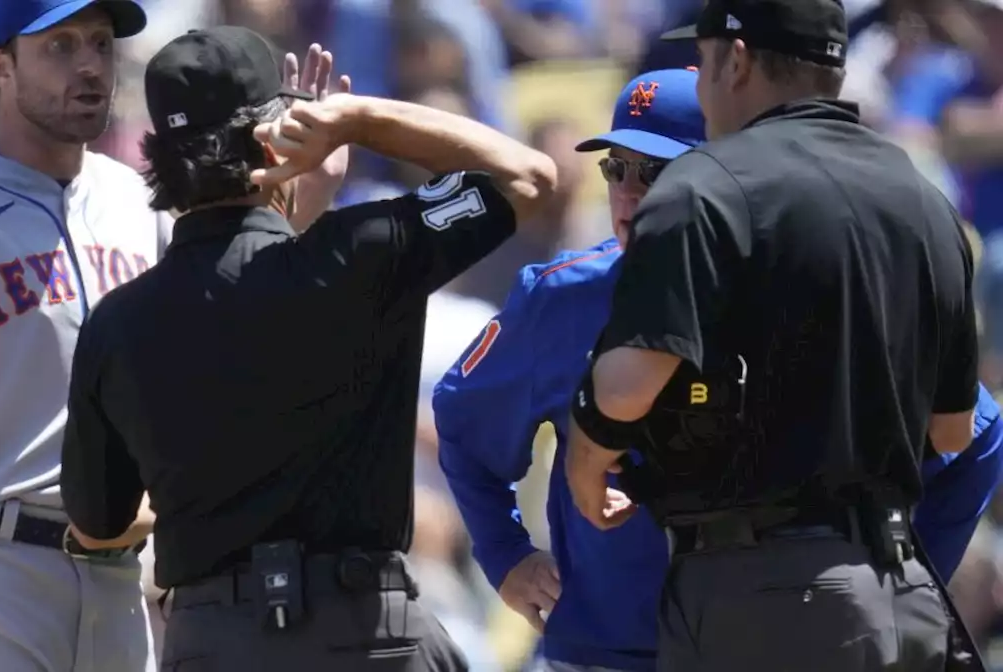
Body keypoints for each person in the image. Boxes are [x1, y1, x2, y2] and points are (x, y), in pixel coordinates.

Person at [0, 2, 345, 670]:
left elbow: (227, 332)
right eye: (59, 45)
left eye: (99, 43)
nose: (89, 64)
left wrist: (305, 200)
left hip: (119, 571)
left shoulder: (139, 200)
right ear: (0, 66)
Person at [435, 68, 1003, 672]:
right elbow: (464, 419)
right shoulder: (564, 296)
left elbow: (977, 437)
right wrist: (505, 555)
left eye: (656, 171)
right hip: (610, 650)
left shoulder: (797, 290)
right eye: (616, 168)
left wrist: (914, 576)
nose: (628, 192)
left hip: (765, 641)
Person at [58, 24, 557, 670]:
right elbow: (530, 176)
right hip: (367, 633)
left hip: (214, 642)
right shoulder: (364, 251)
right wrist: (358, 120)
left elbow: (98, 523)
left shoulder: (116, 323)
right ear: (278, 134)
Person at [565, 0, 979, 669]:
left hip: (766, 596)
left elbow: (624, 391)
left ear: (736, 60)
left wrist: (584, 462)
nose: (700, 86)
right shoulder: (923, 196)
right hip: (903, 590)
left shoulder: (704, 187)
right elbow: (954, 431)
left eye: (701, 63)